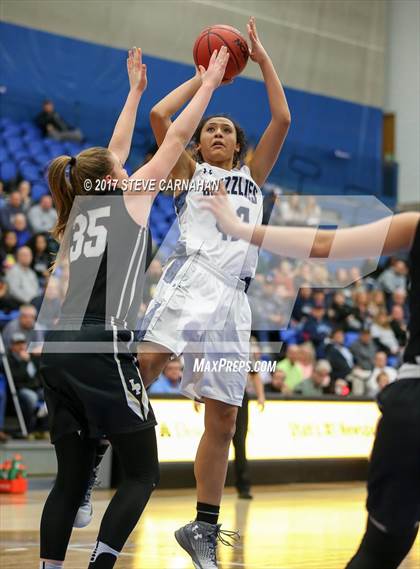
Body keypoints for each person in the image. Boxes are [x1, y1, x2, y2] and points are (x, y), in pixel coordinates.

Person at [39, 46, 229, 569]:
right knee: (143, 472)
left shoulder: (80, 209)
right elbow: (171, 139)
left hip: (57, 351)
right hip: (103, 346)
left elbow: (114, 152)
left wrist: (136, 93)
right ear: (116, 176)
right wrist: (208, 82)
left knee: (68, 482)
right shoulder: (129, 199)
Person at [133, 17, 290, 568]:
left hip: (234, 299)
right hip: (192, 277)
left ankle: (202, 526)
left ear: (239, 145)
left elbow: (283, 117)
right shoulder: (188, 172)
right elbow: (158, 117)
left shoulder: (253, 177)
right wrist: (206, 82)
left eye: (226, 129)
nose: (217, 133)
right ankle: (94, 455)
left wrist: (263, 59)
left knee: (222, 419)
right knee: (144, 367)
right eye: (209, 129)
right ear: (198, 142)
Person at [201, 184, 420, 569]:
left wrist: (239, 228)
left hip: (413, 406)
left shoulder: (416, 225)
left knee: (379, 553)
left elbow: (321, 244)